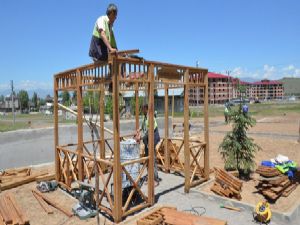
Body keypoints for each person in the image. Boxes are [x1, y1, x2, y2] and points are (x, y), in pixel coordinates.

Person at [135, 104, 160, 186]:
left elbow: (149, 131)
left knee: (152, 159)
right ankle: (150, 178)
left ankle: (155, 179)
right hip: (148, 140)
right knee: (147, 159)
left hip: (153, 138)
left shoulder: (150, 117)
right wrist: (139, 130)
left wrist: (140, 138)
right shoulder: (145, 117)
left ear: (146, 109)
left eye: (143, 109)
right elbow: (143, 126)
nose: (142, 111)